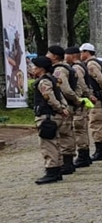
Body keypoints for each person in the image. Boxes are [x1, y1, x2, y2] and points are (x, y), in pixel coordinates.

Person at [32, 56, 68, 184]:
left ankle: (51, 170)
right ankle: (57, 169)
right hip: (54, 116)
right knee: (55, 142)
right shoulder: (53, 79)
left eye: (35, 67)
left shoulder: (44, 82)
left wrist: (59, 108)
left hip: (47, 116)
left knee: (48, 145)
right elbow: (61, 95)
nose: (33, 69)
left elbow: (50, 98)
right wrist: (63, 107)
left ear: (41, 68)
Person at [47, 45, 79, 174]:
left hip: (65, 105)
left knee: (65, 134)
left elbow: (65, 89)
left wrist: (74, 100)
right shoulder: (65, 68)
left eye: (49, 53)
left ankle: (67, 163)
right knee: (66, 133)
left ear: (54, 56)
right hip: (67, 105)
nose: (47, 55)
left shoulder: (59, 70)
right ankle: (67, 162)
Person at [79, 43, 102, 161]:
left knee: (96, 123)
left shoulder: (91, 63)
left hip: (97, 98)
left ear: (87, 52)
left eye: (82, 52)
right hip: (100, 96)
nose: (81, 54)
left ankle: (100, 151)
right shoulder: (97, 62)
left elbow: (100, 79)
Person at [65, 46, 94, 168]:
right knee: (80, 128)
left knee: (79, 129)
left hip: (79, 102)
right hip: (81, 100)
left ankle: (83, 155)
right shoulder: (80, 66)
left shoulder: (76, 67)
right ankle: (84, 155)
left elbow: (81, 83)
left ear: (72, 55)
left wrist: (84, 96)